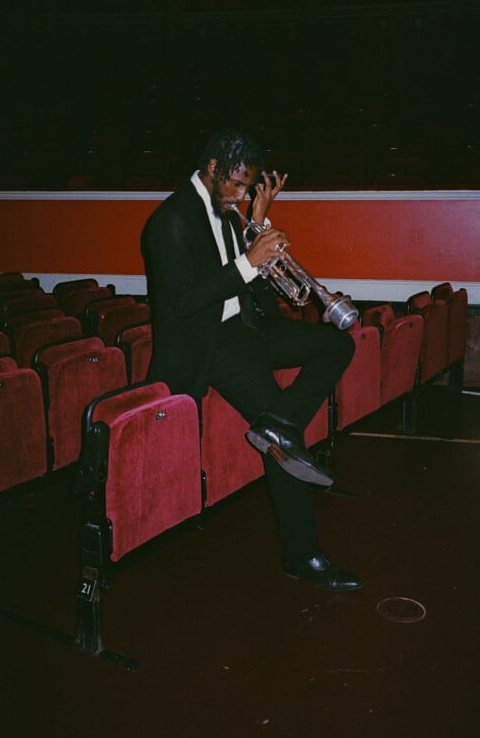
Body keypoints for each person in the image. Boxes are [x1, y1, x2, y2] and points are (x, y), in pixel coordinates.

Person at [141, 128, 362, 592]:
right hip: (209, 345)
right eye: (238, 185)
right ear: (214, 168)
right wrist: (249, 261)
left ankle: (279, 426)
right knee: (283, 435)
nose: (242, 195)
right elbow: (184, 301)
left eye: (249, 188)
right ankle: (304, 556)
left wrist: (258, 226)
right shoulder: (169, 220)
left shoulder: (227, 212)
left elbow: (249, 285)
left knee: (338, 343)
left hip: (247, 329)